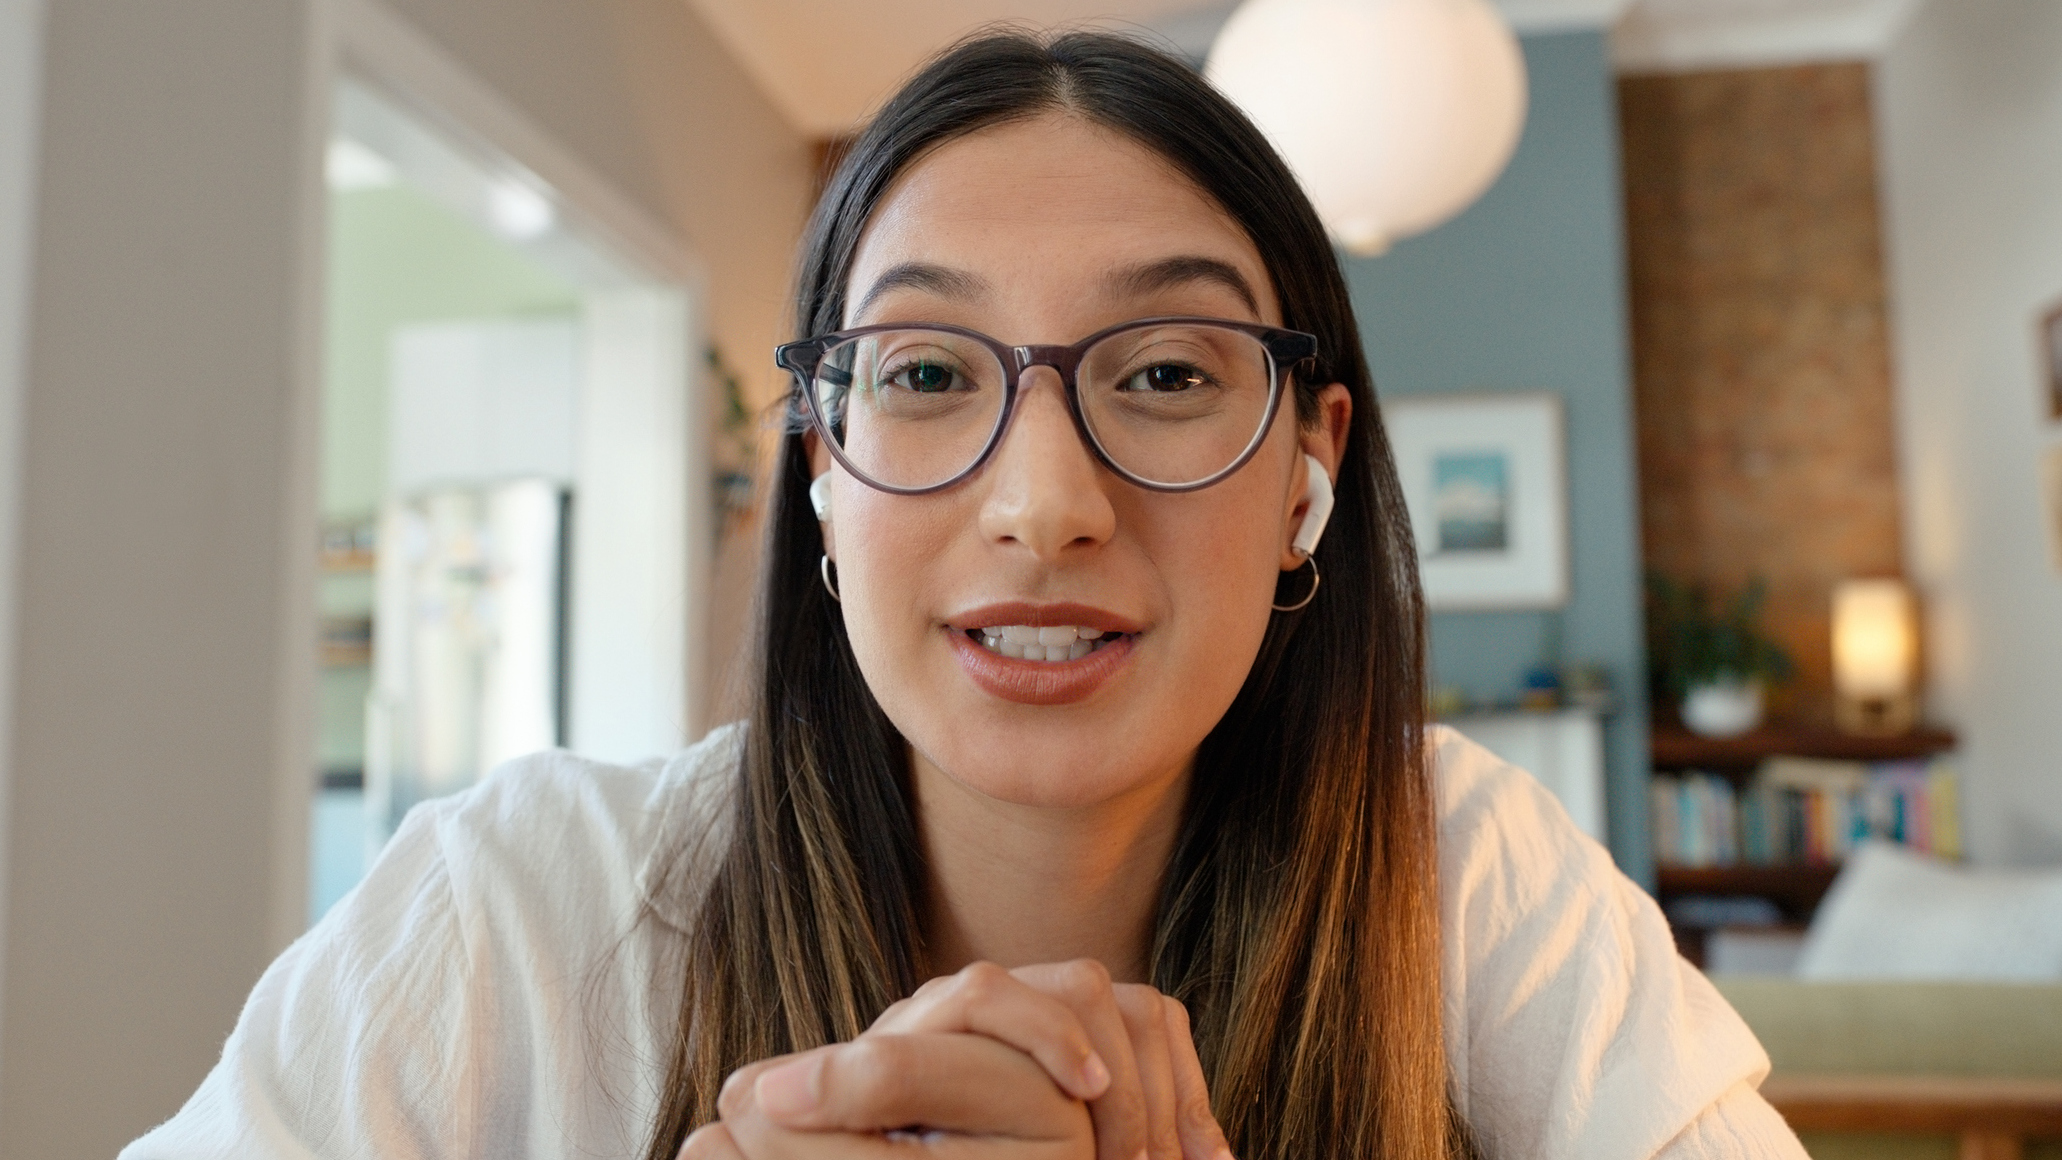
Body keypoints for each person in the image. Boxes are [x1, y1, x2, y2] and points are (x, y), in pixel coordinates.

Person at [123, 29, 1807, 1160]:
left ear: (1307, 469)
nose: (1043, 504)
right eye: (926, 369)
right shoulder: (525, 909)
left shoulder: (1460, 882)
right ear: (820, 475)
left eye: (1161, 375)